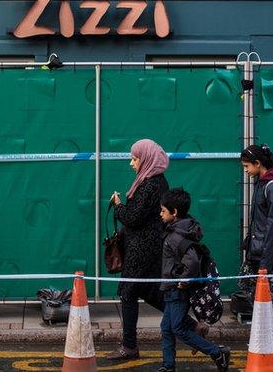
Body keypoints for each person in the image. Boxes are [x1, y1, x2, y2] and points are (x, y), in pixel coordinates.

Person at [105, 139, 172, 360]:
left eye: (135, 158)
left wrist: (117, 205)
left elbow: (132, 218)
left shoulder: (149, 184)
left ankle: (130, 346)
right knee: (145, 289)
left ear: (146, 159)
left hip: (140, 248)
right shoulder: (158, 182)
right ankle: (191, 325)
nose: (131, 162)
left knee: (128, 292)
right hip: (149, 245)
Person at [157, 188, 231, 372]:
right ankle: (168, 366)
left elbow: (192, 260)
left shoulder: (176, 236)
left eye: (163, 211)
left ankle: (216, 352)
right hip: (171, 287)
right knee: (166, 327)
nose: (160, 214)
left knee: (178, 328)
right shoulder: (179, 229)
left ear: (174, 213)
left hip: (177, 288)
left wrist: (183, 280)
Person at [239, 143, 273, 351]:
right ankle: (269, 327)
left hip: (265, 252)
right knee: (249, 284)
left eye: (246, 166)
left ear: (257, 163)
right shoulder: (262, 183)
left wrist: (266, 261)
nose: (245, 170)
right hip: (257, 248)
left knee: (266, 292)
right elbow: (259, 222)